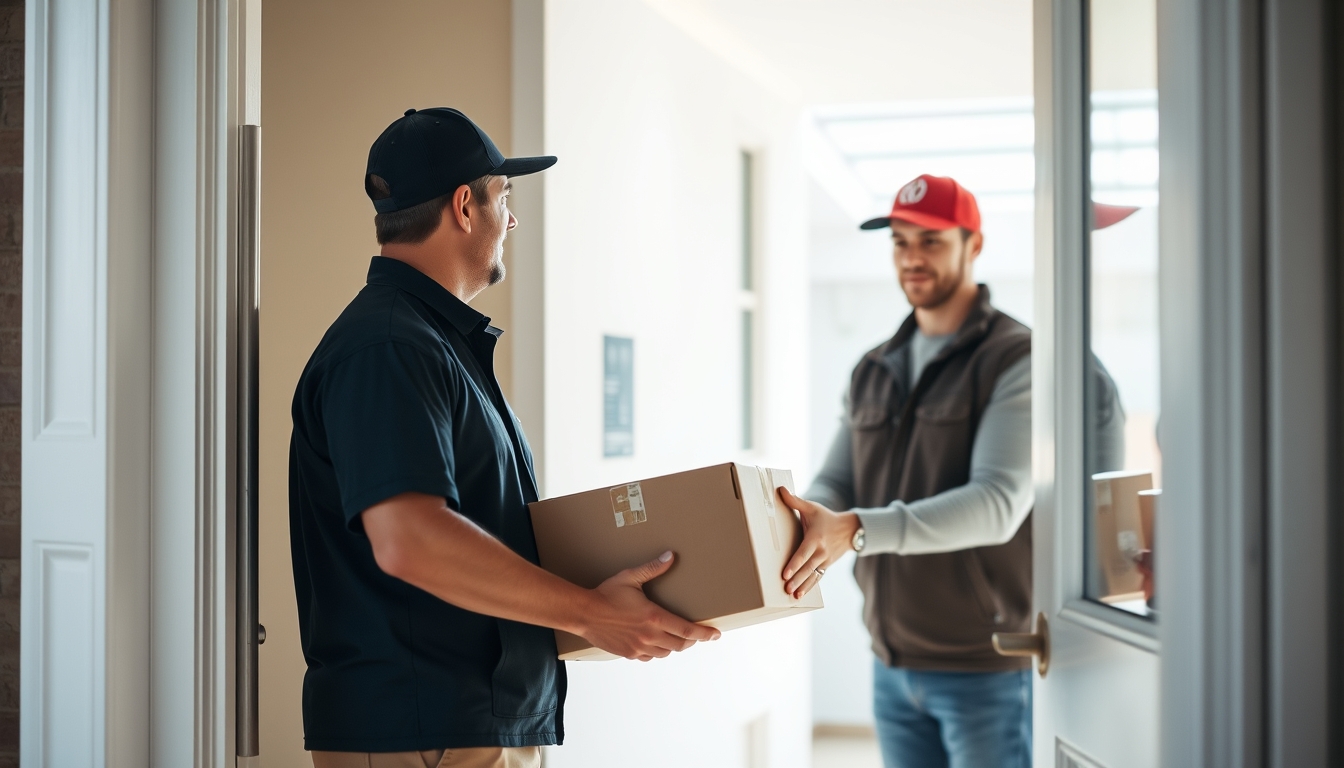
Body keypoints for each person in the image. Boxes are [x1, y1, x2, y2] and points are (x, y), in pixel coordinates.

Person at [288, 107, 719, 768]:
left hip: (464, 724)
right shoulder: (388, 348)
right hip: (425, 733)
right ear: (466, 206)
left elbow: (474, 532)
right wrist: (587, 613)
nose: (511, 220)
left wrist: (608, 596)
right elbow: (412, 542)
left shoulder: (429, 345)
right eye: (504, 198)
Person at [780, 174, 1038, 768]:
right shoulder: (872, 367)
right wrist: (803, 517)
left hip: (986, 667)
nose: (912, 259)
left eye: (930, 242)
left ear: (973, 245)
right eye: (900, 242)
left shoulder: (1016, 358)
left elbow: (998, 502)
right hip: (892, 662)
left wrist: (853, 529)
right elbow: (837, 482)